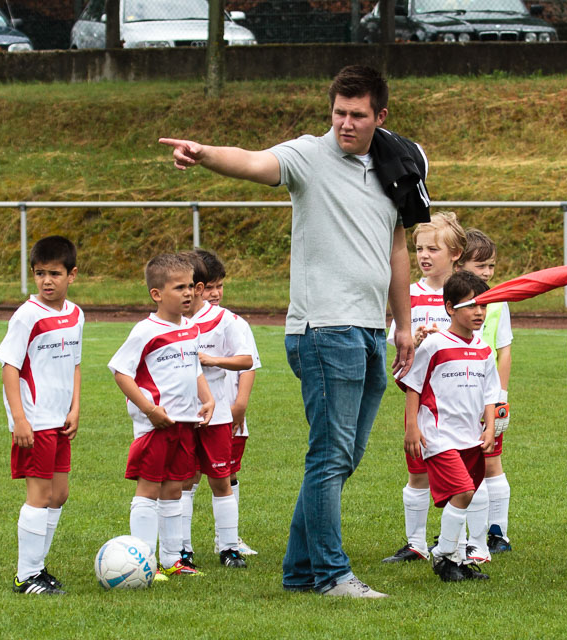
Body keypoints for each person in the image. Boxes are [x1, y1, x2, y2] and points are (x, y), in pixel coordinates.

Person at [159, 65, 418, 598]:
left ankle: (301, 572)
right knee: (329, 454)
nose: (346, 124)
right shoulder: (308, 155)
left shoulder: (397, 163)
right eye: (339, 113)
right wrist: (205, 153)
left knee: (344, 456)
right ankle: (331, 573)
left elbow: (397, 250)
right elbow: (255, 162)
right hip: (324, 329)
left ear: (380, 116)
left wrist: (405, 325)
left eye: (357, 115)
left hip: (371, 330)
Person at [108, 254, 215, 579]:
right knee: (149, 489)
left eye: (190, 286)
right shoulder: (146, 331)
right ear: (157, 294)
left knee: (174, 489)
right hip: (155, 426)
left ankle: (172, 559)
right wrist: (149, 410)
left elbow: (194, 367)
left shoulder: (190, 328)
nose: (188, 293)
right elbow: (121, 372)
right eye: (179, 287)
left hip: (185, 422)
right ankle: (142, 560)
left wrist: (207, 397)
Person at [0, 236, 84, 595]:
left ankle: (38, 567)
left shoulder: (76, 314)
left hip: (60, 419)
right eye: (40, 273)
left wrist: (76, 407)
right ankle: (26, 575)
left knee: (59, 494)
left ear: (72, 275)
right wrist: (19, 418)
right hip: (35, 419)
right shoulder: (27, 315)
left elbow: (75, 364)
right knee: (39, 494)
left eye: (55, 273)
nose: (47, 281)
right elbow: (10, 367)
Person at [401, 270, 500, 582]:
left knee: (465, 496)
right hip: (438, 436)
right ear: (449, 308)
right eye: (471, 306)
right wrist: (412, 428)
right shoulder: (434, 345)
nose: (479, 312)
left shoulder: (485, 349)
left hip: (471, 435)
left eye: (483, 305)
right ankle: (444, 556)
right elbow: (413, 385)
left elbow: (490, 393)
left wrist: (490, 428)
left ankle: (454, 558)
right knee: (463, 491)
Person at [382, 212, 467, 564]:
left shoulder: (465, 295)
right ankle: (415, 543)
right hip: (420, 400)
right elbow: (393, 339)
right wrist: (412, 340)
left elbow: (478, 342)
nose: (424, 255)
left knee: (464, 475)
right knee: (417, 470)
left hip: (460, 398)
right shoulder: (408, 293)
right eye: (419, 248)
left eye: (434, 248)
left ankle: (463, 545)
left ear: (456, 253)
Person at [178, 250, 258, 570]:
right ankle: (182, 550)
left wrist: (212, 360)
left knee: (221, 479)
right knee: (184, 481)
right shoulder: (172, 320)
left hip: (218, 414)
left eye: (186, 287)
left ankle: (228, 548)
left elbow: (246, 360)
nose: (183, 293)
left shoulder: (225, 320)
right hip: (183, 413)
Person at [198, 249, 263, 560]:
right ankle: (181, 547)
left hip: (228, 410)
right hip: (196, 412)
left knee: (228, 474)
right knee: (190, 478)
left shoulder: (234, 321)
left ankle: (228, 539)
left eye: (219, 286)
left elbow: (249, 364)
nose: (215, 293)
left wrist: (241, 403)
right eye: (208, 287)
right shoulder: (182, 321)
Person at [457, 229, 513, 557]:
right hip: (456, 393)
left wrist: (500, 395)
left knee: (491, 462)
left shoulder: (497, 300)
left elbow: (504, 349)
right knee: (458, 463)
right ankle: (459, 531)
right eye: (480, 266)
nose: (488, 273)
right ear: (459, 264)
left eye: (491, 266)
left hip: (487, 396)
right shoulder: (450, 302)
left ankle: (498, 532)